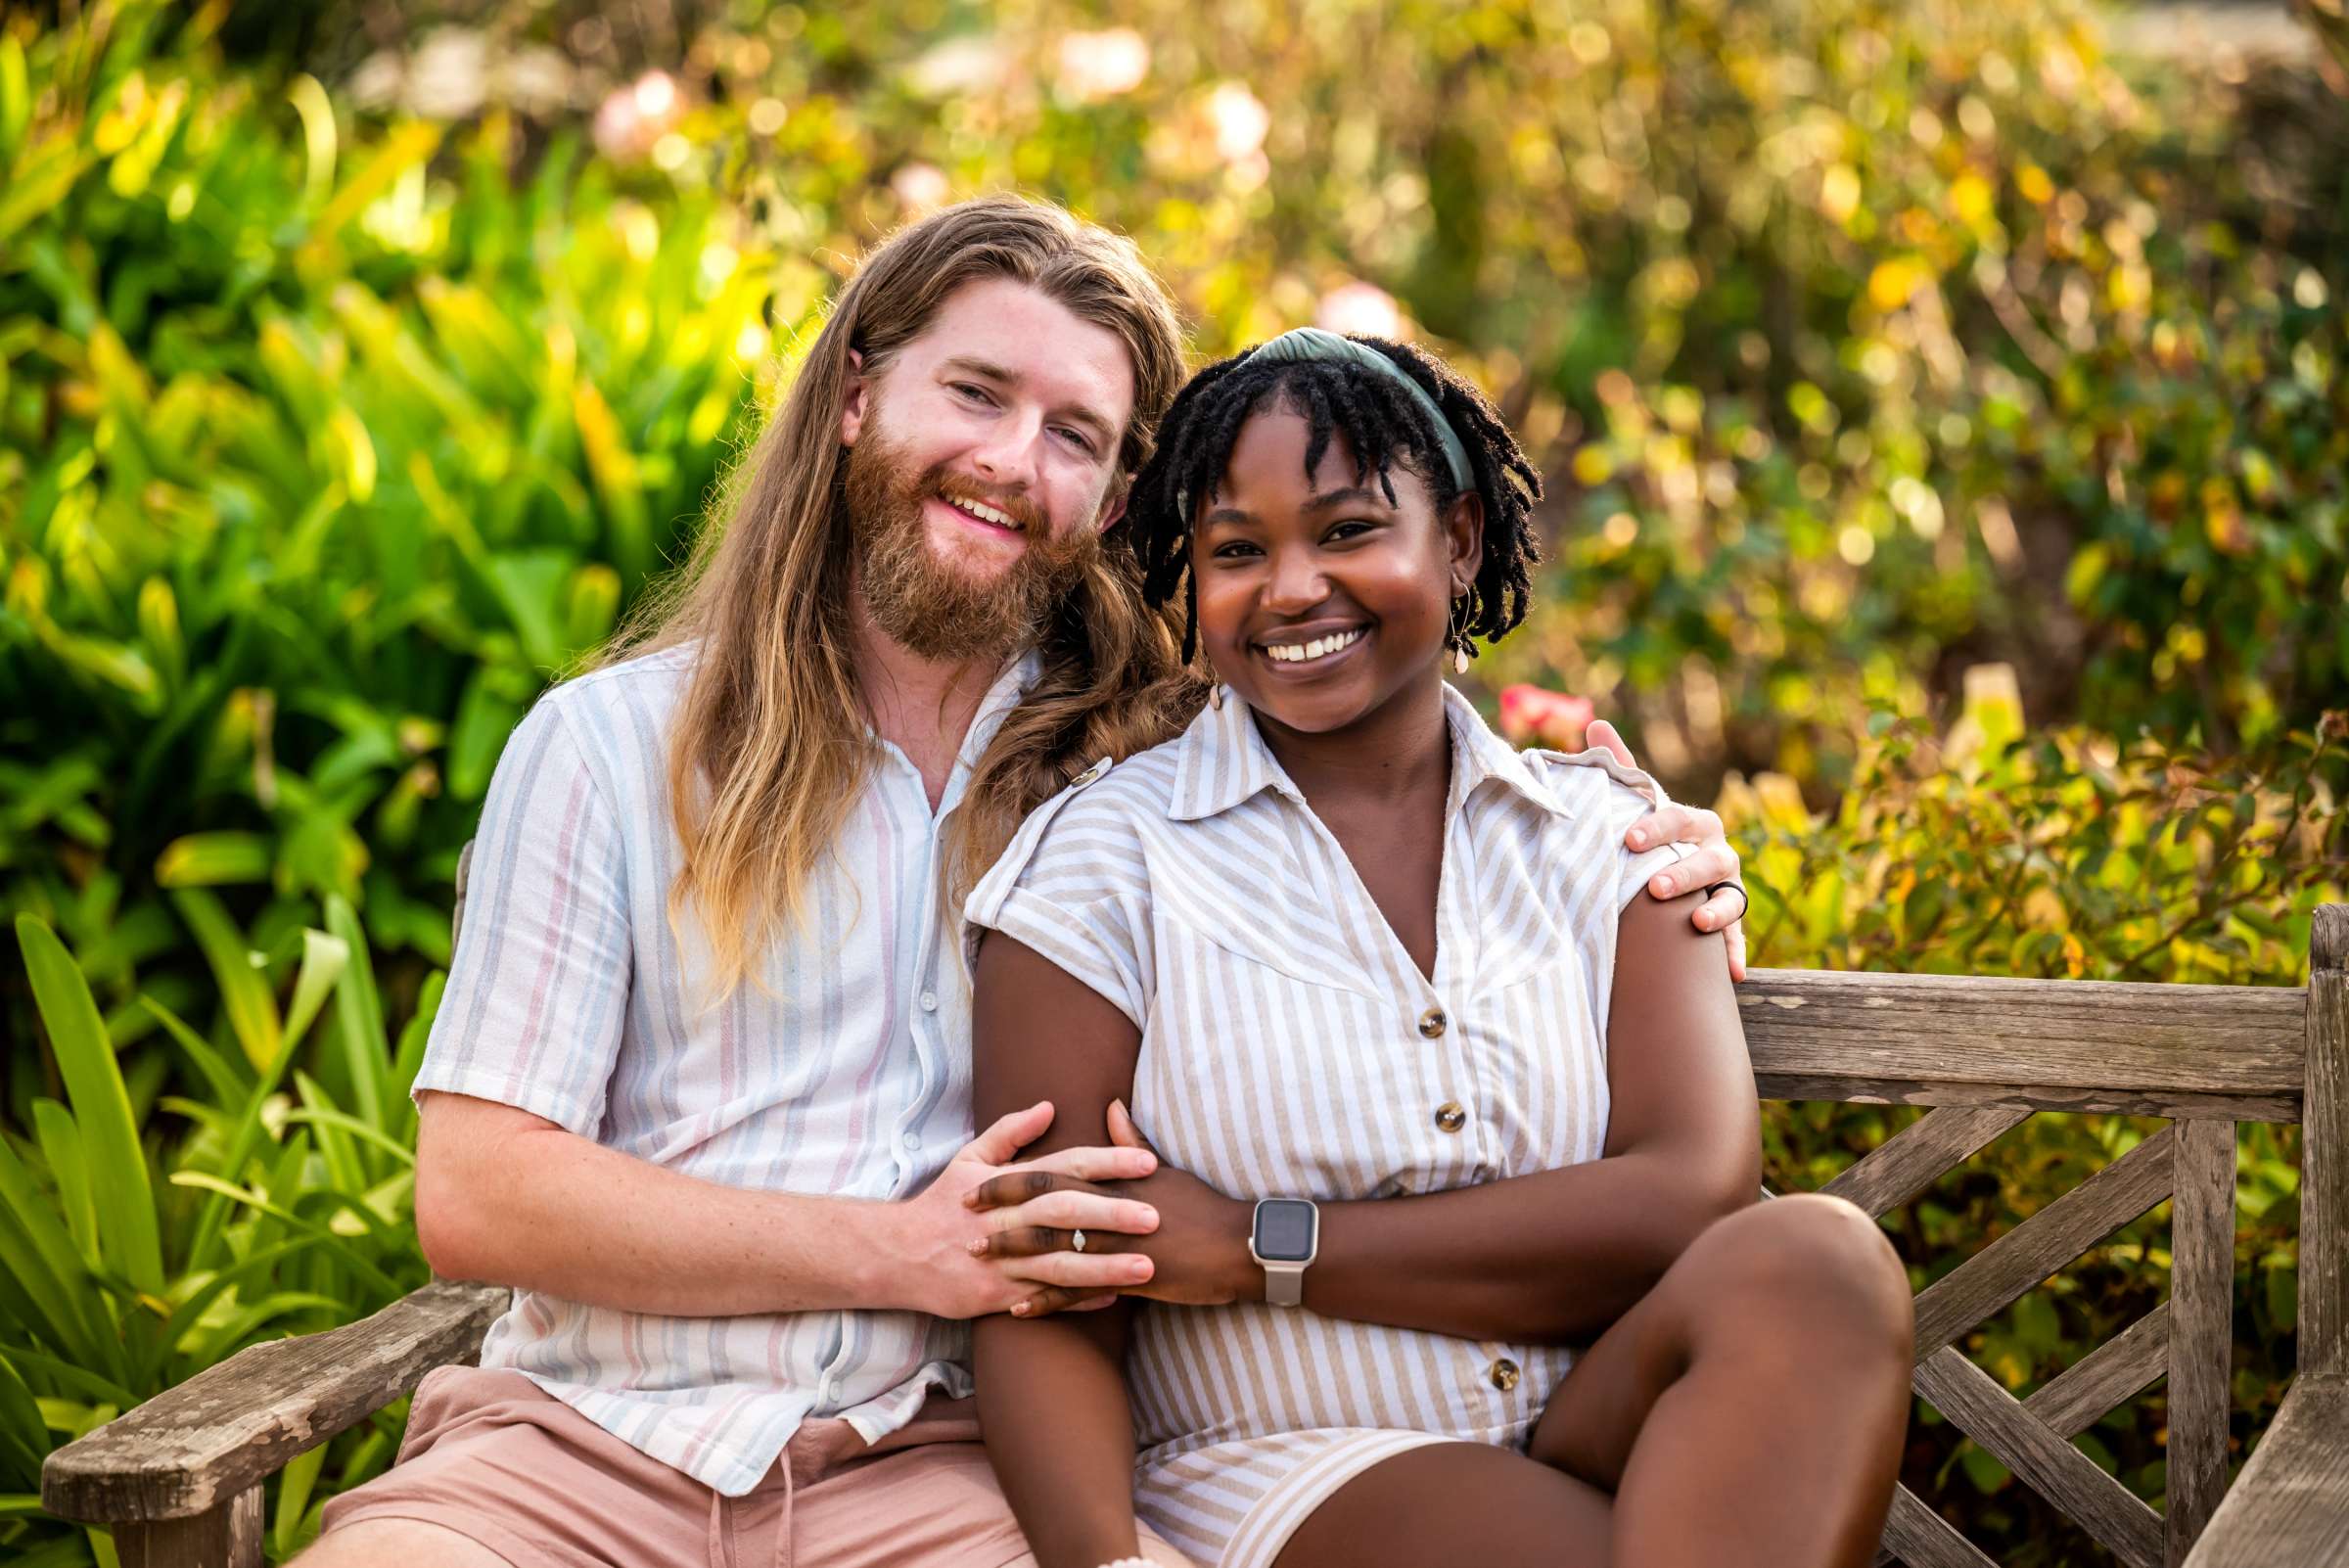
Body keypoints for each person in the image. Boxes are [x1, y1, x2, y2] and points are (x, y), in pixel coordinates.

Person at [304, 199, 1750, 1568]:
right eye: (977, 394)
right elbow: (481, 1192)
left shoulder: (1144, 775)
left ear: (1122, 498)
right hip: (571, 1456)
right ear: (857, 393)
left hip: (937, 1475)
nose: (1013, 461)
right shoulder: (615, 746)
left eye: (1076, 434)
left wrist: (1649, 835)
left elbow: (1399, 747)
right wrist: (901, 1251)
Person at [964, 329, 1913, 1568]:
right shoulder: (1106, 869)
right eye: (1237, 551)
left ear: (1458, 537)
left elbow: (1690, 1198)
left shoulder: (1610, 846)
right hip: (1288, 1466)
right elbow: (1046, 1282)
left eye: (1348, 530)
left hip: (1606, 1430)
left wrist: (1262, 1247)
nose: (1293, 587)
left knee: (1819, 1262)